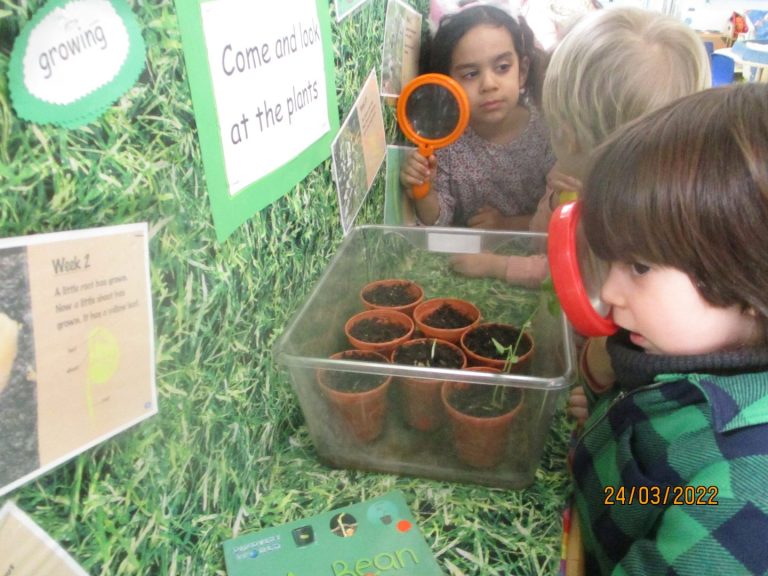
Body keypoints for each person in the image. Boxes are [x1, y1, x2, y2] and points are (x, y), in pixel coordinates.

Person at [572, 83, 768, 574]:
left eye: (639, 266)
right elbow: (652, 481)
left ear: (748, 279)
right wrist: (607, 427)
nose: (611, 290)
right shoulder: (675, 349)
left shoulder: (743, 484)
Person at [450, 6, 711, 285]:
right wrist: (553, 202)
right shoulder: (668, 197)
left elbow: (569, 276)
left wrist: (499, 266)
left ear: (566, 134)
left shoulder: (608, 221)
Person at [400, 4, 554, 229]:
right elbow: (439, 221)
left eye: (502, 67)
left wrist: (505, 225)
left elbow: (562, 215)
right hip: (469, 258)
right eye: (471, 74)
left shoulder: (548, 133)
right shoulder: (444, 140)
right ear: (447, 83)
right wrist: (423, 191)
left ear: (521, 72)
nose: (489, 85)